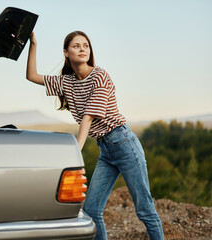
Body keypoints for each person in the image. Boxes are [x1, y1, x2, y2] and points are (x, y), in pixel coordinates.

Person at [25, 31, 164, 240]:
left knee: (144, 210)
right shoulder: (67, 82)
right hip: (106, 150)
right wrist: (33, 44)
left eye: (86, 46)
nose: (82, 49)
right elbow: (32, 76)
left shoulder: (99, 75)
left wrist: (74, 152)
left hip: (124, 144)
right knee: (91, 210)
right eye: (76, 46)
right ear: (66, 52)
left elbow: (88, 119)